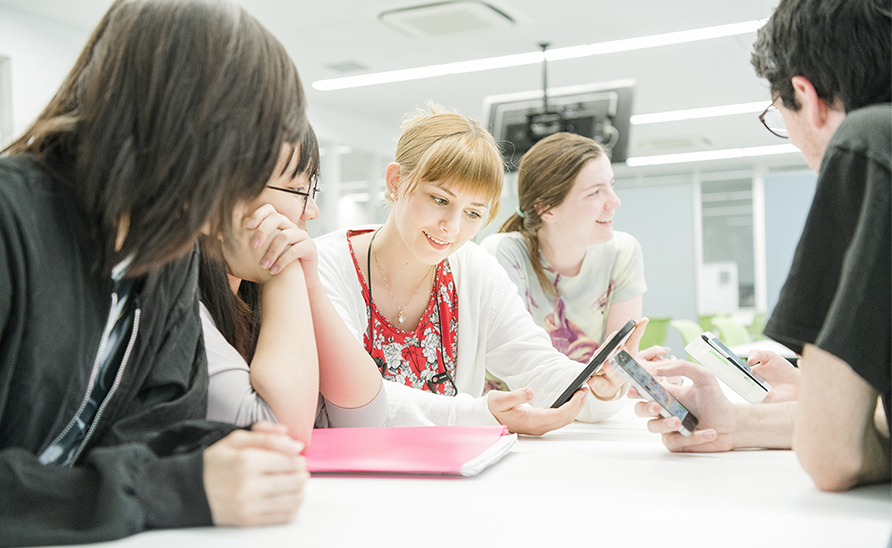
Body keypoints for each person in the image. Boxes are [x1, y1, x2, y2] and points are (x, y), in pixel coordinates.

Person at [0, 1, 312, 544]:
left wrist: (222, 454)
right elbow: (143, 475)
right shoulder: (11, 220)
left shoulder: (168, 253)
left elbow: (153, 429)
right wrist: (166, 489)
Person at [635, 0, 890, 492]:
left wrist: (827, 414)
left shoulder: (869, 142)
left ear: (805, 95)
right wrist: (736, 422)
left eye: (779, 116)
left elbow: (833, 454)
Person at [316, 105, 647, 436]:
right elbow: (356, 404)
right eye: (440, 200)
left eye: (473, 214)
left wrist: (599, 385)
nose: (451, 227)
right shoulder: (326, 266)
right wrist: (481, 414)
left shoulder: (474, 270)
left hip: (450, 473)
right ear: (396, 182)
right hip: (340, 477)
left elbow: (535, 365)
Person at [200, 124, 386, 442]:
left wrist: (309, 283)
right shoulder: (178, 302)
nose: (311, 211)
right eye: (300, 191)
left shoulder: (257, 295)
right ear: (223, 198)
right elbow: (280, 434)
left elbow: (363, 416)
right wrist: (280, 272)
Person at [481, 132, 648, 365]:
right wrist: (615, 372)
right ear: (546, 210)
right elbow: (519, 362)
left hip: (587, 400)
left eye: (611, 185)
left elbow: (618, 361)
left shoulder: (623, 251)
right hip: (516, 400)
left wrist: (630, 369)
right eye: (595, 192)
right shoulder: (503, 252)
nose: (615, 201)